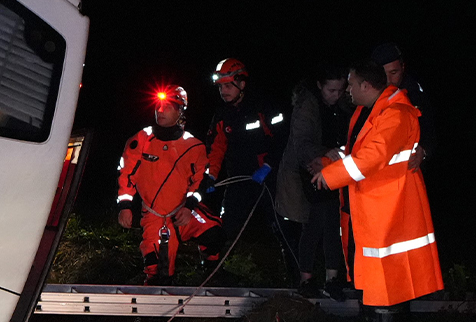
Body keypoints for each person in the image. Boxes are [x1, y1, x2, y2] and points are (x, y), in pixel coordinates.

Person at [312, 60, 442, 322]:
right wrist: (329, 164)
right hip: (374, 208)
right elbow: (358, 152)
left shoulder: (395, 114)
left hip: (390, 210)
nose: (348, 90)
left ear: (366, 87)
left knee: (388, 282)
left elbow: (371, 158)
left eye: (352, 84)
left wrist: (329, 176)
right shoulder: (372, 111)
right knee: (375, 279)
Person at [117, 86, 225, 286]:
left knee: (214, 232)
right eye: (158, 105)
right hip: (154, 215)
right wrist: (125, 206)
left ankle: (211, 274)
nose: (160, 110)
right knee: (157, 271)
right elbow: (126, 173)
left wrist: (190, 206)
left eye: (167, 107)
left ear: (180, 111)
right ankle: (155, 303)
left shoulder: (194, 146)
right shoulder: (141, 139)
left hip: (183, 209)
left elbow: (200, 180)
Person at [205, 58, 297, 283]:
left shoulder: (264, 106)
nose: (223, 92)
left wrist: (268, 166)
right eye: (220, 87)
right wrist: (210, 176)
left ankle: (297, 276)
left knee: (282, 225)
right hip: (239, 179)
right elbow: (216, 148)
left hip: (268, 178)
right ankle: (211, 273)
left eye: (228, 86)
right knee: (226, 226)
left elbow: (283, 138)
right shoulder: (222, 114)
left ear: (242, 84)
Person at [276, 66, 350, 300]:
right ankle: (306, 279)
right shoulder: (307, 105)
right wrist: (324, 156)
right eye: (331, 90)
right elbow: (301, 143)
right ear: (320, 86)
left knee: (333, 226)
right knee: (313, 225)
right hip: (307, 173)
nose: (335, 95)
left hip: (334, 172)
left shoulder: (343, 104)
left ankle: (332, 278)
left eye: (340, 90)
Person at [370, 42, 435, 170]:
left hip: (405, 170)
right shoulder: (365, 90)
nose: (388, 80)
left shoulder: (414, 92)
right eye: (383, 74)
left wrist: (424, 149)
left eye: (393, 72)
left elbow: (428, 127)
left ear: (403, 67)